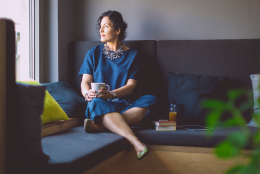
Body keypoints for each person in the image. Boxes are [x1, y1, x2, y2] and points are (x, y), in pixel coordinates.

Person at [78, 10, 157, 160]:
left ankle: (102, 125)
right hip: (100, 104)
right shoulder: (92, 54)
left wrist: (112, 94)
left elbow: (131, 86)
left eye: (105, 26)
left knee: (151, 99)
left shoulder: (134, 56)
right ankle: (136, 142)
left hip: (124, 105)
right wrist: (87, 93)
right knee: (95, 102)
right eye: (100, 27)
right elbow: (85, 82)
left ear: (118, 30)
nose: (100, 30)